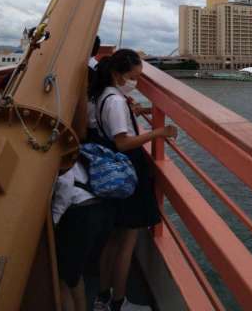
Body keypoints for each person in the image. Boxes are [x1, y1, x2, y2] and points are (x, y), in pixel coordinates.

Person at [88, 49, 177, 311]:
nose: (135, 82)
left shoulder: (104, 96)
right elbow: (123, 142)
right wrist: (159, 132)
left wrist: (135, 111)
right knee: (126, 243)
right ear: (118, 74)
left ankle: (102, 297)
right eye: (134, 77)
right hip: (127, 170)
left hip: (114, 171)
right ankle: (119, 302)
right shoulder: (116, 101)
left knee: (112, 240)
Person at [52, 161, 115, 311]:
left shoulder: (61, 161)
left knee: (67, 277)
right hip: (97, 209)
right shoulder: (74, 156)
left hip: (80, 215)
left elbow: (65, 187)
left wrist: (54, 218)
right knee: (74, 273)